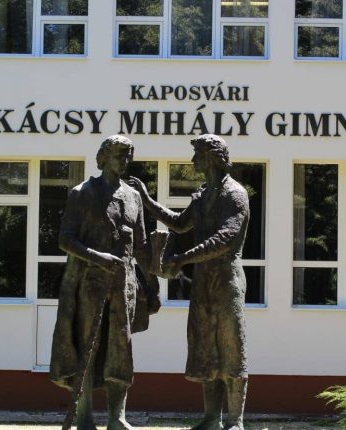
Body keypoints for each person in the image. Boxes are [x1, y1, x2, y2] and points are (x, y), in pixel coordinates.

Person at [128, 134, 250, 430]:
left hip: (227, 281)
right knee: (205, 347)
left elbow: (224, 239)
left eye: (198, 155)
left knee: (231, 347)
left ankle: (235, 421)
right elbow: (180, 224)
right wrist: (147, 200)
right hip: (203, 282)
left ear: (212, 157)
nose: (193, 160)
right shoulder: (203, 195)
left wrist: (183, 258)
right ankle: (211, 418)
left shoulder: (235, 194)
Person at [49, 135, 156, 430]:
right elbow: (65, 239)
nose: (124, 161)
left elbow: (141, 247)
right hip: (89, 285)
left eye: (128, 156)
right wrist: (98, 257)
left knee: (121, 350)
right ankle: (84, 418)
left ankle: (116, 418)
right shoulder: (82, 193)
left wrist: (153, 282)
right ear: (104, 157)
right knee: (88, 348)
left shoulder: (133, 197)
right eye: (119, 155)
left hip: (124, 287)